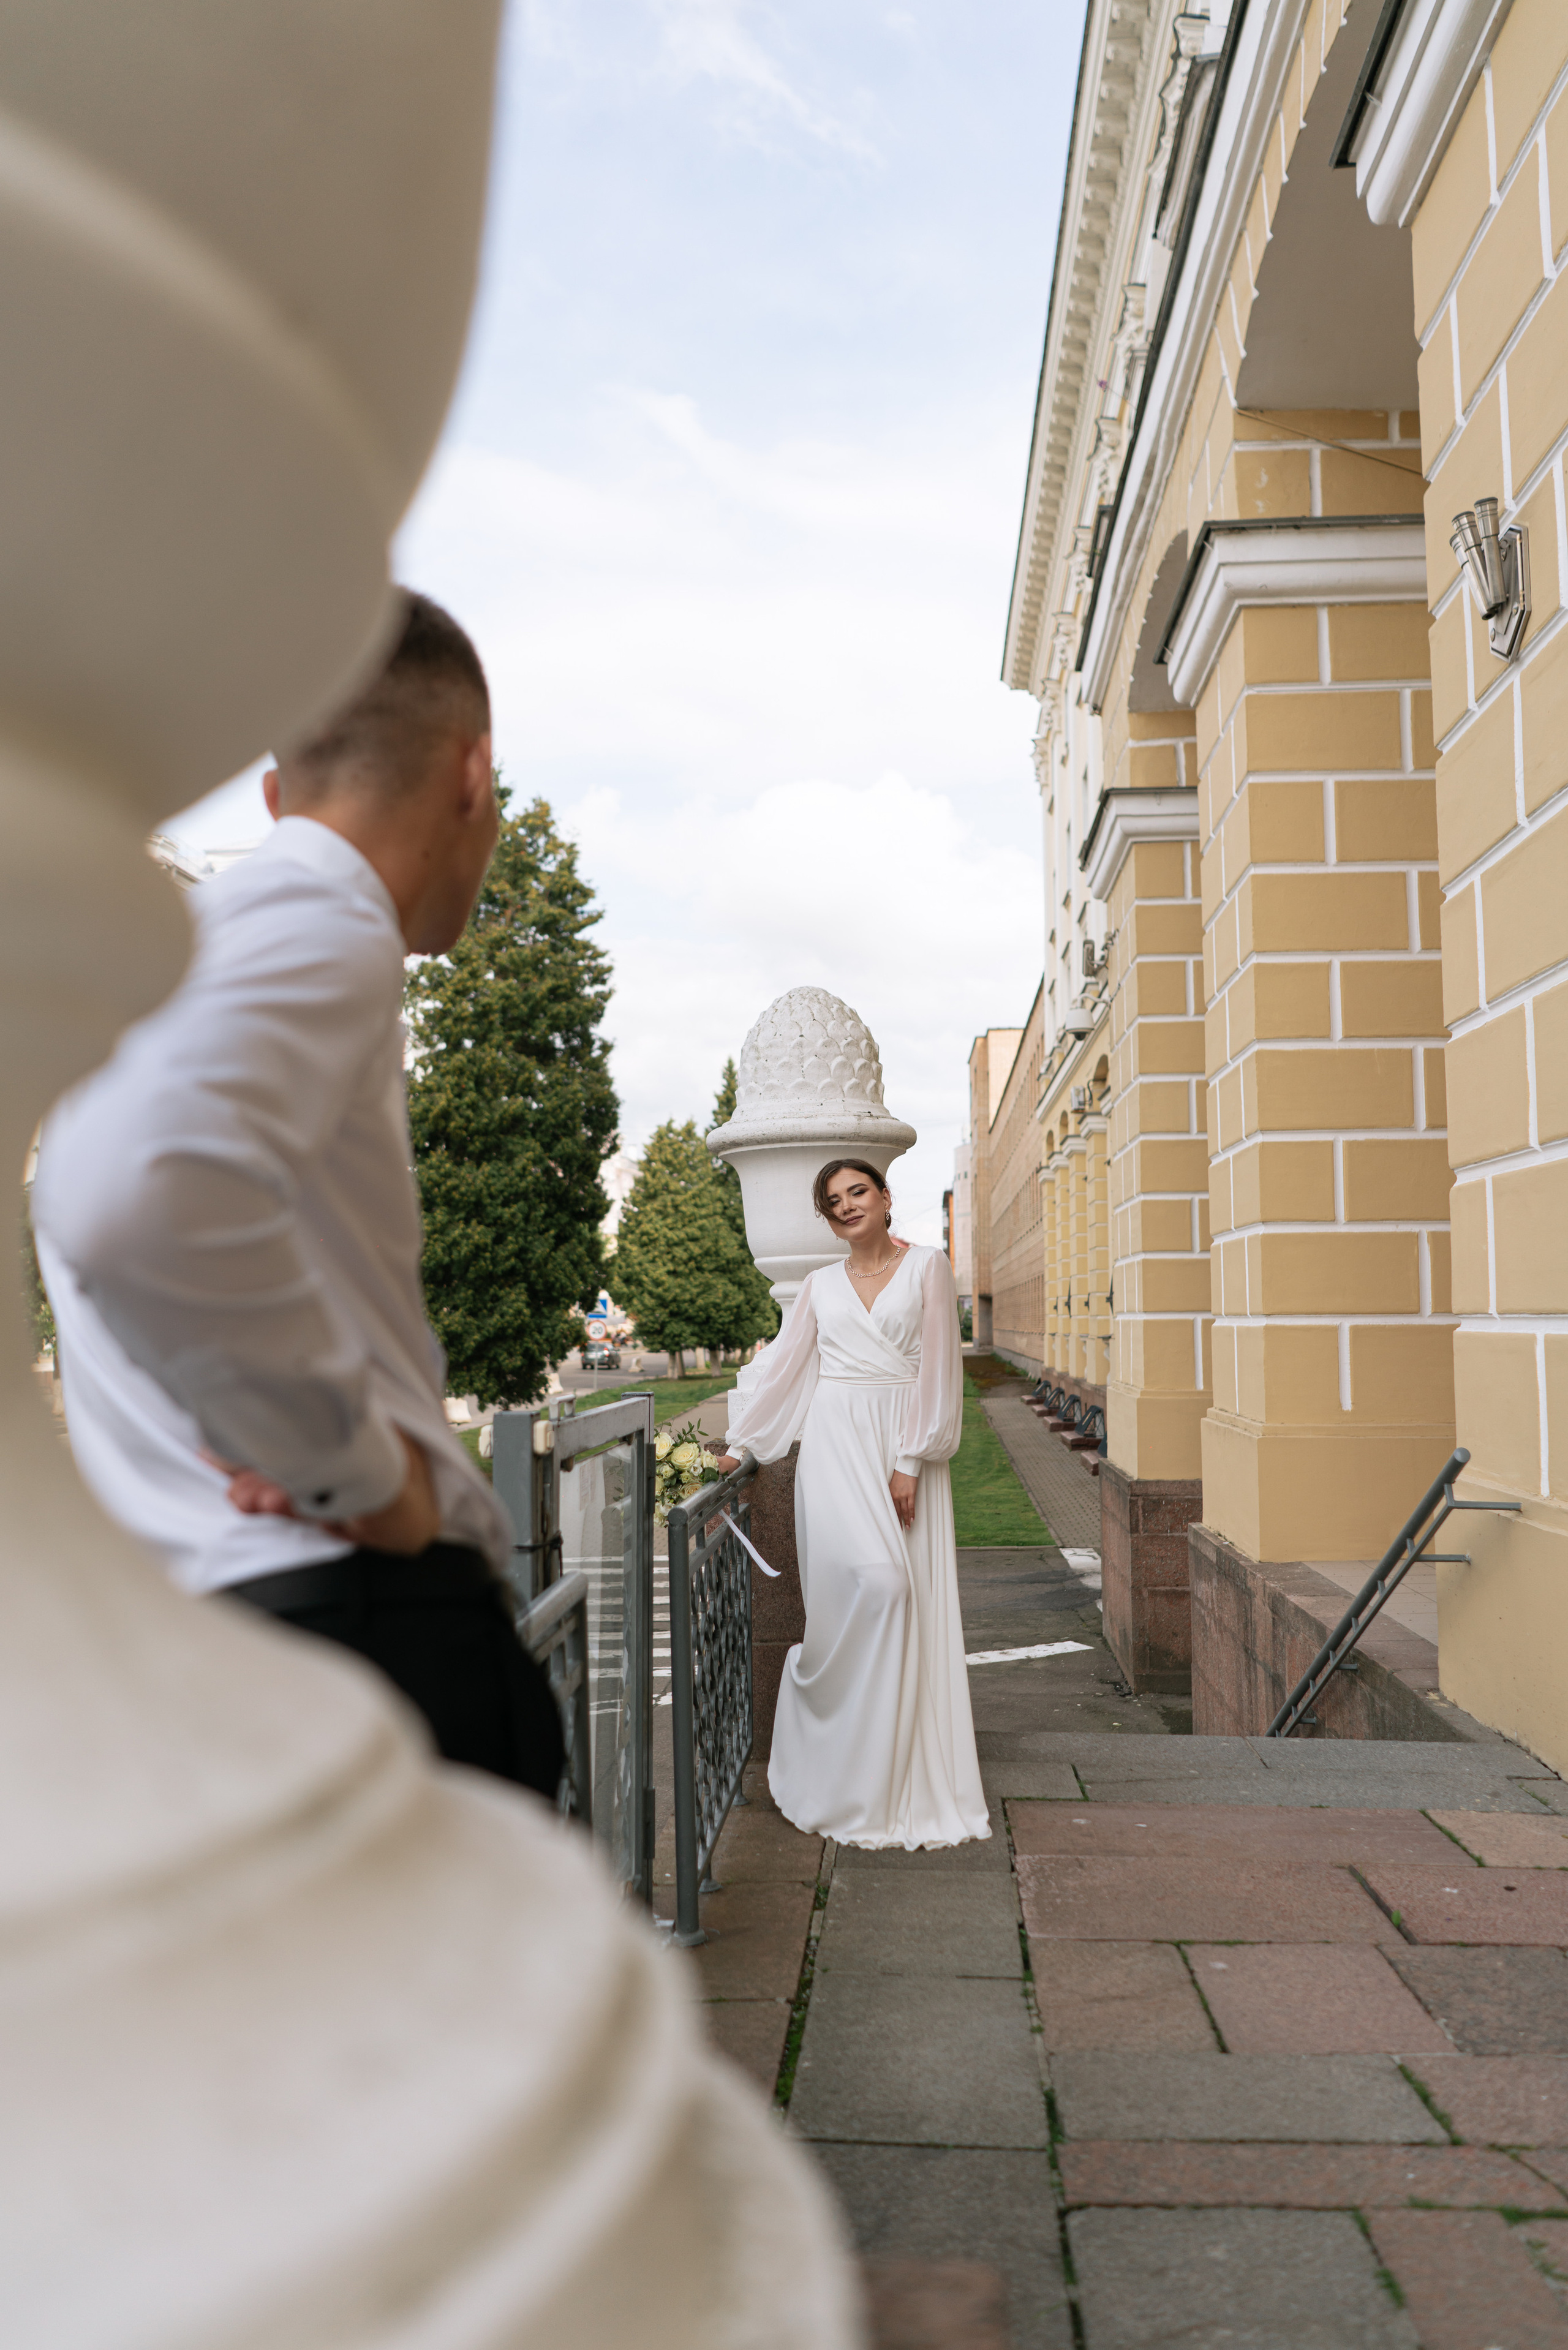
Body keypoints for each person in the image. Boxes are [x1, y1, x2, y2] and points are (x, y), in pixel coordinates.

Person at [31, 592, 564, 1798]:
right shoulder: (320, 909)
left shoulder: (164, 969)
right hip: (360, 1625)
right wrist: (351, 1464)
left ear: (273, 789)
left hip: (220, 1644)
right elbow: (132, 1191)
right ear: (474, 772)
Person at [714, 1159, 988, 1850]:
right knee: (868, 1592)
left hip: (897, 1444)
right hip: (833, 1452)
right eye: (832, 1201)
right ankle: (822, 1720)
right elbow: (786, 1370)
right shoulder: (817, 1285)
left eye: (857, 1192)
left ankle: (890, 1776)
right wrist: (739, 1444)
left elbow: (936, 1367)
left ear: (886, 1197)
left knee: (899, 1592)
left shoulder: (928, 1266)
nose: (846, 1206)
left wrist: (910, 1461)